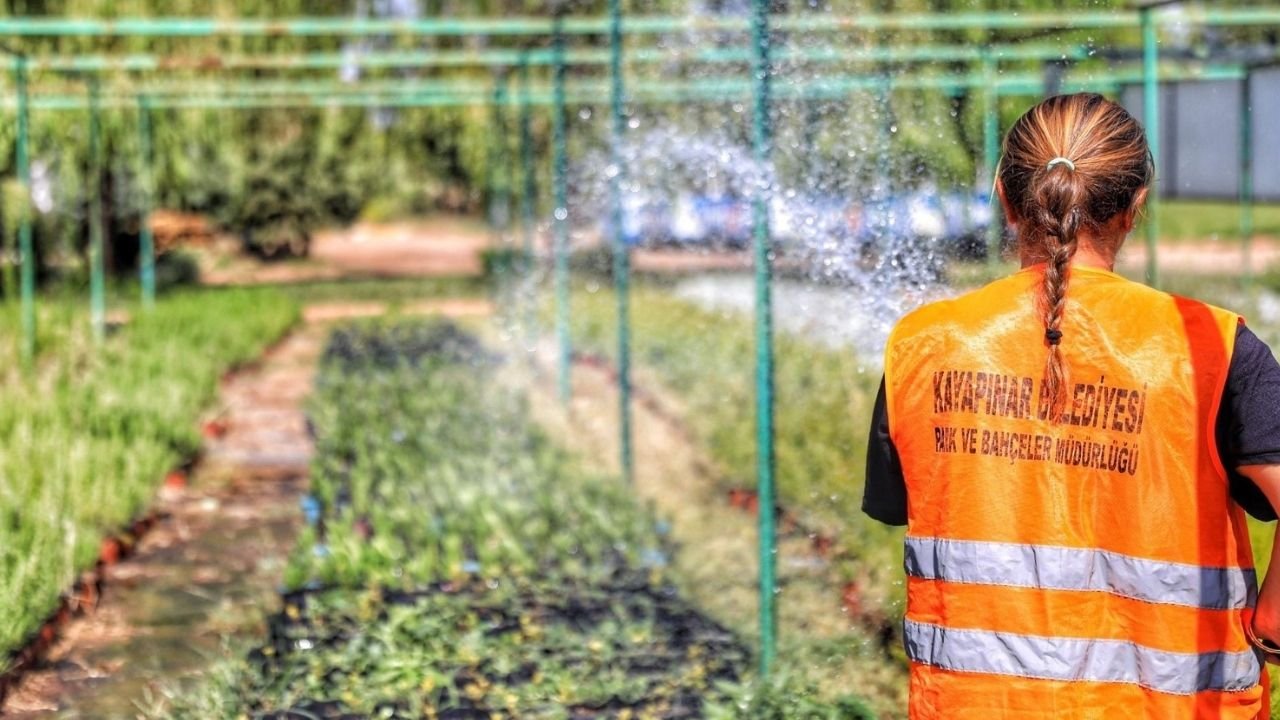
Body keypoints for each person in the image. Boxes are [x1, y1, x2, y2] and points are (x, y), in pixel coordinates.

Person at [862, 92, 1280, 719]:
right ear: (1137, 205)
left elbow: (908, 507)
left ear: (1005, 197)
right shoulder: (1211, 348)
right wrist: (1273, 618)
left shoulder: (924, 346)